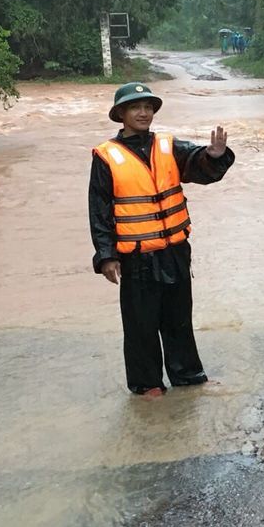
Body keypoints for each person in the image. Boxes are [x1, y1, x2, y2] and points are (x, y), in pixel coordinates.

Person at [89, 82, 235, 397]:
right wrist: (106, 255)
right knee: (141, 324)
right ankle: (147, 384)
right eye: (135, 107)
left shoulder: (168, 146)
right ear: (121, 114)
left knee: (179, 319)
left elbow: (199, 165)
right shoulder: (106, 156)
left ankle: (188, 376)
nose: (144, 113)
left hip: (175, 251)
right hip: (136, 256)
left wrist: (214, 155)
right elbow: (99, 210)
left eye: (148, 107)